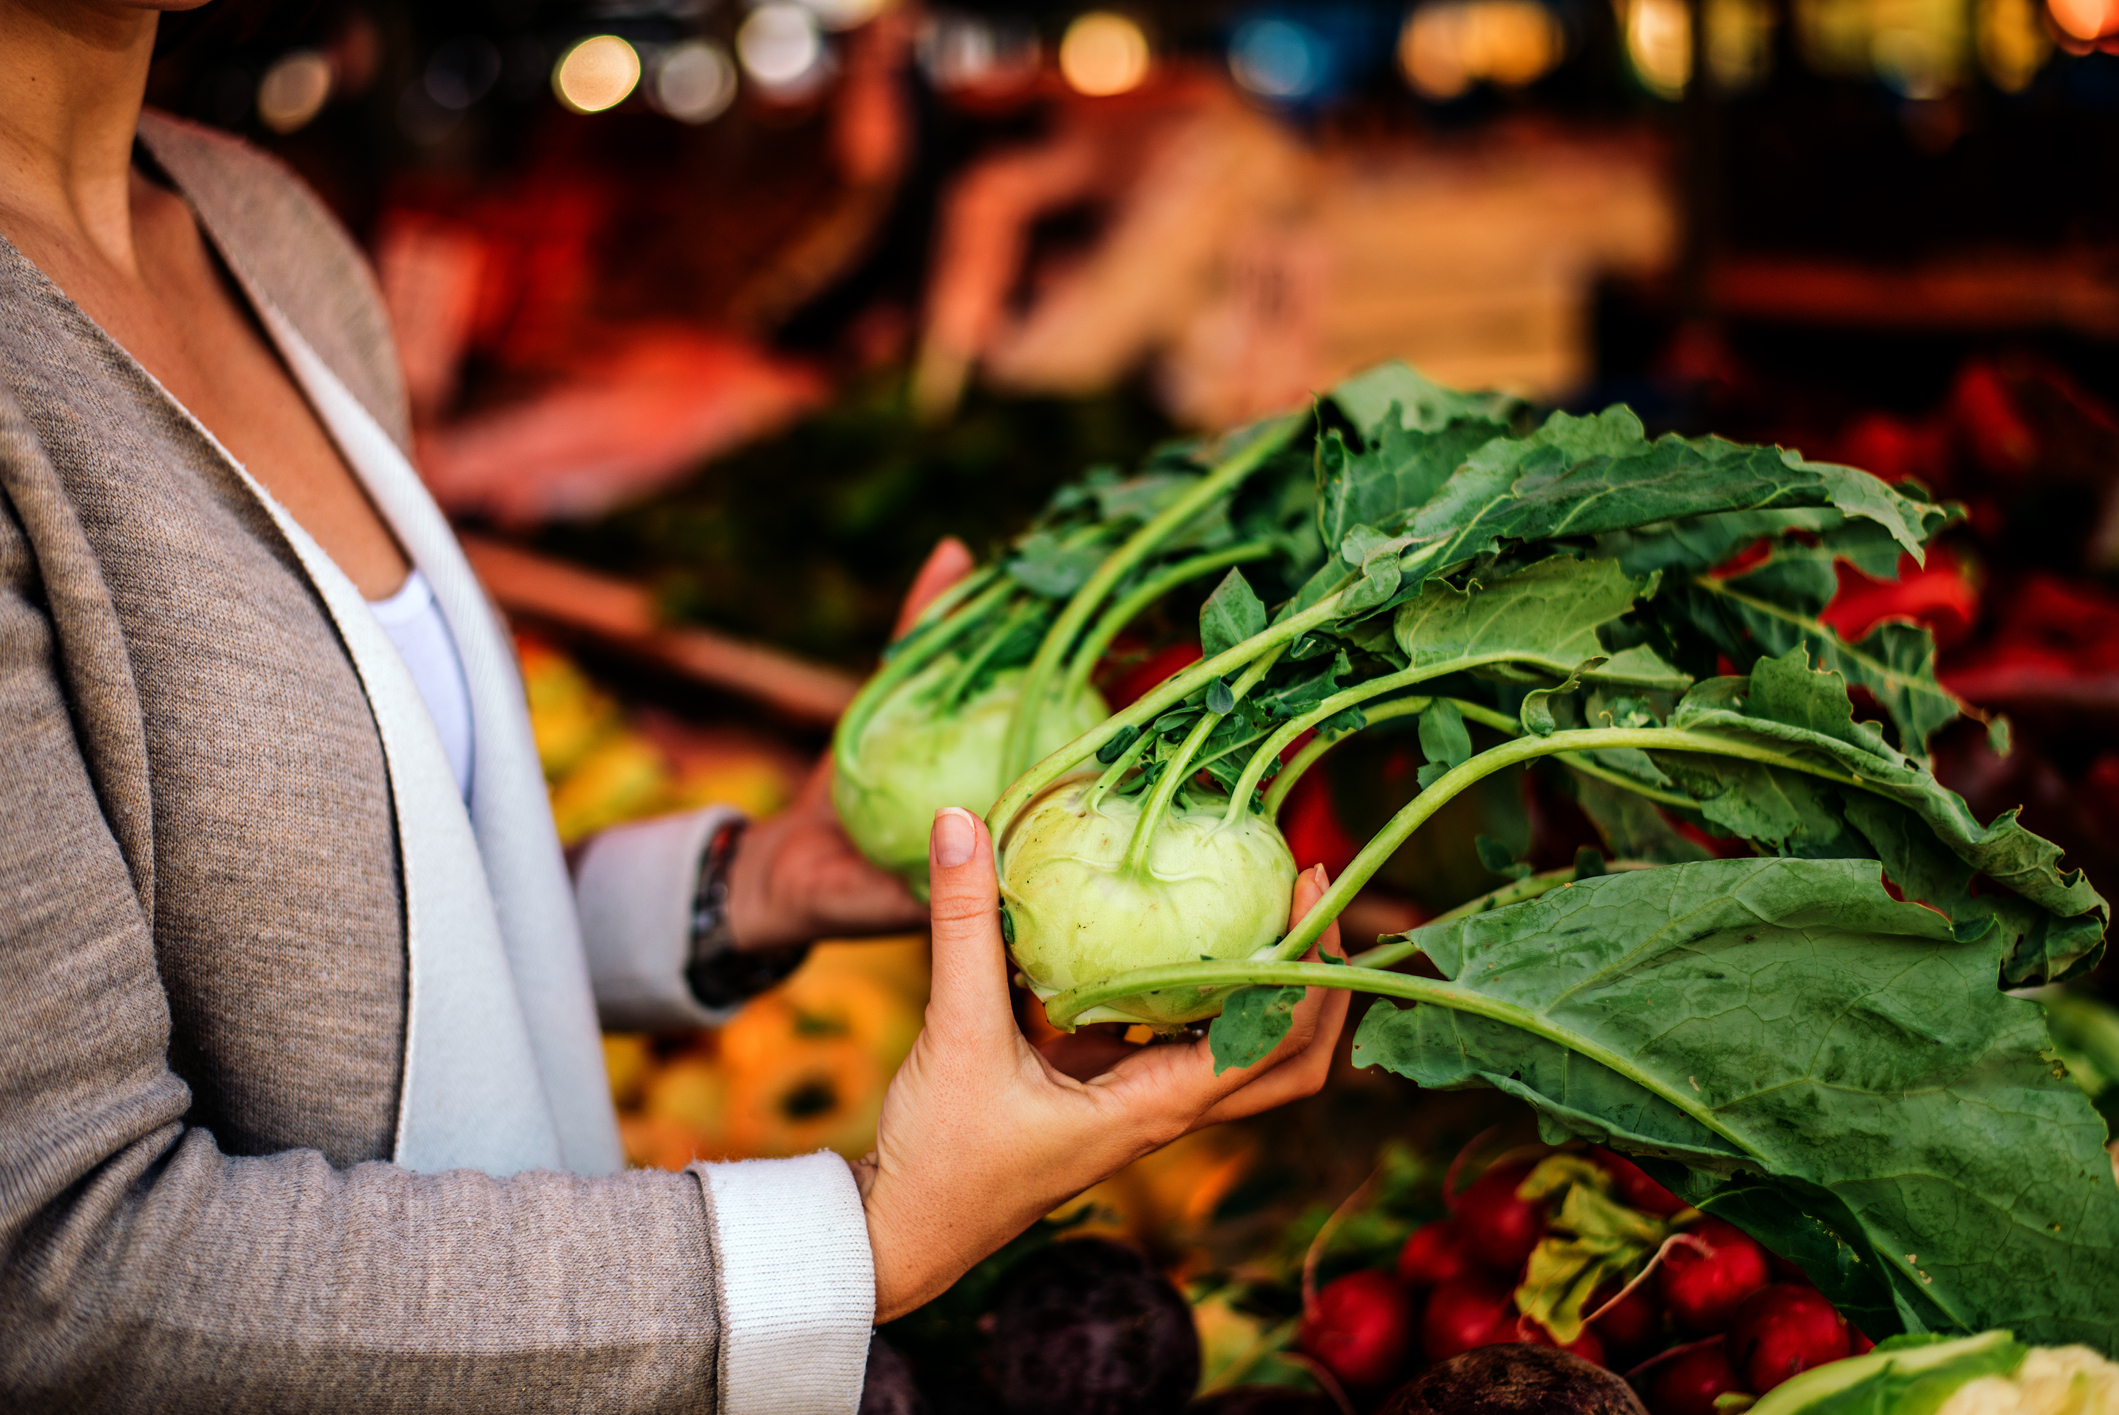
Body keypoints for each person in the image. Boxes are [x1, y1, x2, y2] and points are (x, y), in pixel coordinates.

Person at [0, 2, 1353, 1410]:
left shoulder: (266, 232)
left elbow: (338, 968)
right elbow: (57, 1271)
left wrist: (753, 886)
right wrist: (859, 1241)